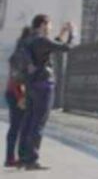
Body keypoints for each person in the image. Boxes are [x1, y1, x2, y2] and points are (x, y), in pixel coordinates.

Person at [17, 15, 74, 170]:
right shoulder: (43, 40)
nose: (50, 28)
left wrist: (61, 33)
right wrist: (71, 33)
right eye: (49, 25)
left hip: (31, 86)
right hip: (44, 85)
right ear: (43, 25)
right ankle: (32, 160)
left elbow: (50, 46)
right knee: (38, 123)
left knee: (28, 121)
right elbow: (66, 48)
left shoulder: (28, 41)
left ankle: (22, 157)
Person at [5, 27, 33, 167]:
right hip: (16, 93)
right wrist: (21, 96)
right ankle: (10, 158)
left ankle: (15, 157)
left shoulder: (22, 53)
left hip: (17, 93)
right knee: (16, 126)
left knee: (19, 126)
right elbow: (16, 78)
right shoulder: (20, 55)